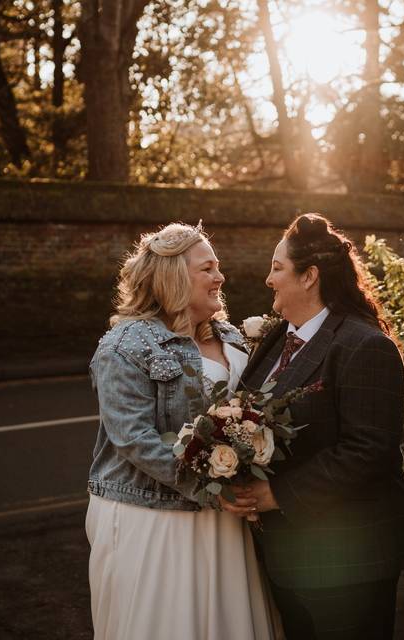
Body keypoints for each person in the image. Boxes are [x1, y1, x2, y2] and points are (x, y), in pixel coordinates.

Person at [225, 213, 404, 639]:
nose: (268, 279)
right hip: (289, 555)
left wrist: (276, 494)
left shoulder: (364, 345)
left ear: (309, 276)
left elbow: (368, 451)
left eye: (277, 268)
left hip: (350, 559)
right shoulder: (279, 337)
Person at [84, 222, 278, 640]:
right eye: (207, 268)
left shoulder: (232, 336)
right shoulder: (126, 345)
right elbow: (134, 438)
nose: (220, 277)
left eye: (218, 267)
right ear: (174, 276)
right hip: (154, 517)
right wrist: (209, 488)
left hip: (225, 517)